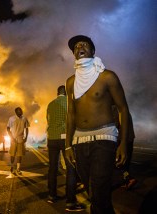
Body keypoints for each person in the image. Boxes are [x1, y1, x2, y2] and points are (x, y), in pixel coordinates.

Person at [65, 35, 130, 213]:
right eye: (76, 46)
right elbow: (71, 114)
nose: (80, 47)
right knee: (94, 193)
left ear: (93, 51)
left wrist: (123, 143)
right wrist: (68, 146)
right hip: (79, 141)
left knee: (99, 192)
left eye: (84, 44)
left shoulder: (107, 77)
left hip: (104, 138)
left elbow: (123, 109)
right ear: (74, 54)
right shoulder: (71, 82)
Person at [46, 85, 86, 211]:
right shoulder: (69, 103)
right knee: (71, 168)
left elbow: (48, 120)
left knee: (52, 167)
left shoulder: (50, 104)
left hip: (51, 138)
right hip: (65, 138)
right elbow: (73, 120)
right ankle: (70, 202)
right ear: (66, 93)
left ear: (57, 93)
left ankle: (52, 196)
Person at [112, 106, 137, 190]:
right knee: (125, 162)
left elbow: (115, 124)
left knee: (118, 162)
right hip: (130, 138)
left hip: (121, 139)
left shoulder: (116, 109)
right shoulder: (125, 110)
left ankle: (128, 179)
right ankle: (126, 180)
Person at [7, 107, 30, 175]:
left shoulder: (24, 118)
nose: (21, 112)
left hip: (20, 139)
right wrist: (11, 137)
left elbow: (27, 129)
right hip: (13, 139)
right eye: (19, 111)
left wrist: (26, 138)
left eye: (21, 110)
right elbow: (8, 128)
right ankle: (12, 167)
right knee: (12, 154)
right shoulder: (12, 119)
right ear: (16, 112)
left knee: (20, 155)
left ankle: (18, 169)